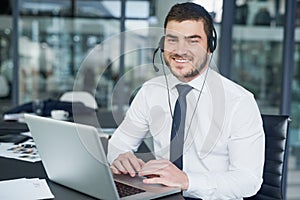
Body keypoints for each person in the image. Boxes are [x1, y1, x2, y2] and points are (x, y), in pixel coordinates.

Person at [107, 2, 265, 199]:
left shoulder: (239, 102)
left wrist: (187, 181)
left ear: (210, 46)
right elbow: (118, 144)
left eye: (193, 41)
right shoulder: (150, 92)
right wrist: (120, 157)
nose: (180, 51)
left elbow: (248, 181)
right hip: (161, 196)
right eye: (173, 40)